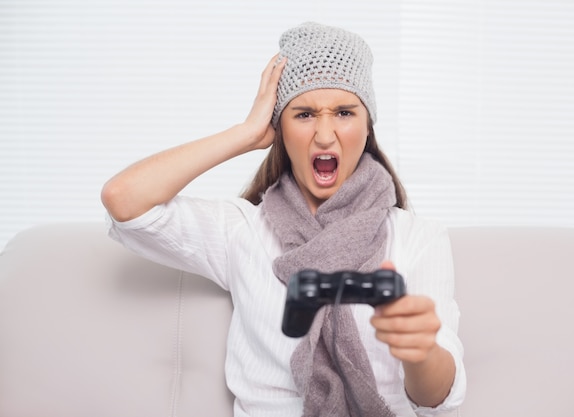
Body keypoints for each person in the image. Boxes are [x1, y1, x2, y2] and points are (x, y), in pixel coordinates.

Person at [101, 22, 466, 417]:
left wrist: (421, 351)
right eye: (304, 114)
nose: (325, 135)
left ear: (367, 125)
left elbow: (438, 399)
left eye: (344, 112)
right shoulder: (242, 231)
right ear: (280, 128)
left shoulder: (420, 237)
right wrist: (245, 134)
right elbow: (124, 199)